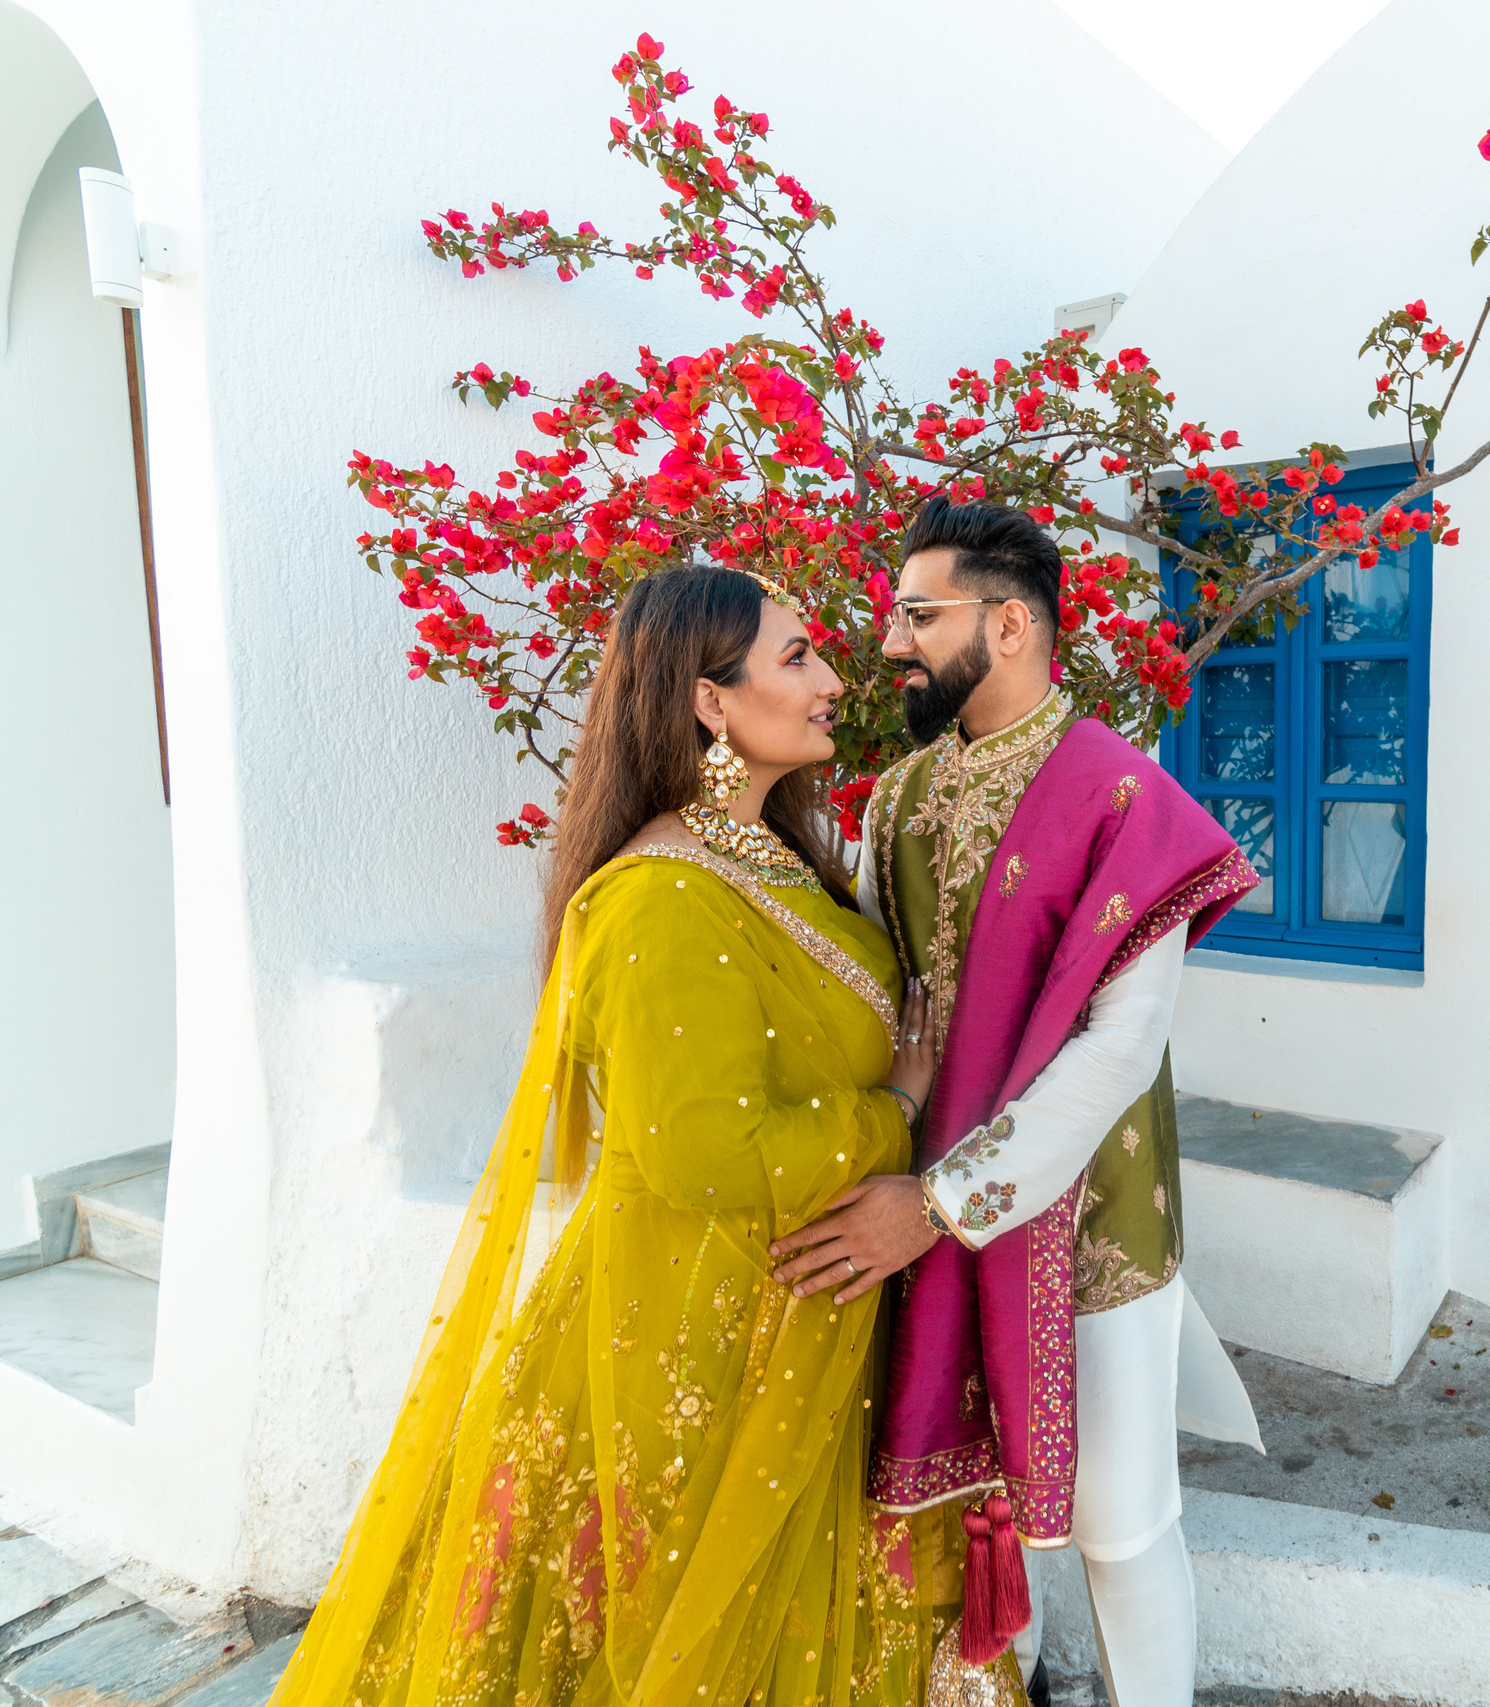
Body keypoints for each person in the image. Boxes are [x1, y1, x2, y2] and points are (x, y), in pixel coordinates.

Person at [272, 567, 1019, 1707]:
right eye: (796, 658)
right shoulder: (655, 900)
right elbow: (700, 1154)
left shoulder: (773, 856)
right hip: (699, 1336)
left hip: (800, 1307)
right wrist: (897, 1112)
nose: (829, 680)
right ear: (710, 703)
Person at [768, 502, 1262, 1707]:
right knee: (972, 1506)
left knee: (1121, 1519)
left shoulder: (1124, 802)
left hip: (1088, 1222)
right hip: (926, 1212)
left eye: (917, 617)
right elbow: (889, 1010)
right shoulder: (897, 804)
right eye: (894, 615)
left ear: (1011, 625)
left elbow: (1118, 1050)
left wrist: (938, 1204)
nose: (887, 643)